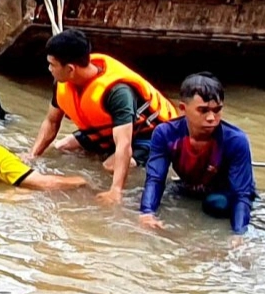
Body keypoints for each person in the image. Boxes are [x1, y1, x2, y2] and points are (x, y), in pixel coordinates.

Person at [27, 29, 178, 204]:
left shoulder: (117, 92)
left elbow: (124, 143)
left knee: (109, 166)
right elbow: (51, 122)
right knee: (62, 146)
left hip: (148, 135)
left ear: (70, 69)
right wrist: (33, 155)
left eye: (52, 64)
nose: (49, 69)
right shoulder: (63, 82)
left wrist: (115, 191)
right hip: (107, 133)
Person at [139, 73, 256, 235]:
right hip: (191, 187)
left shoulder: (236, 140)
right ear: (183, 108)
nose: (211, 118)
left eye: (217, 111)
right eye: (203, 110)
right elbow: (155, 178)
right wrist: (147, 213)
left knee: (215, 204)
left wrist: (239, 234)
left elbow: (241, 193)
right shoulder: (165, 133)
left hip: (224, 193)